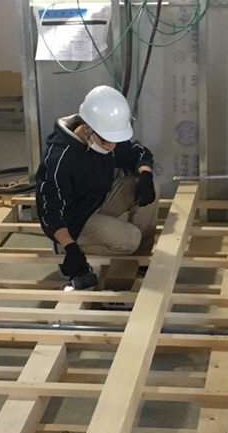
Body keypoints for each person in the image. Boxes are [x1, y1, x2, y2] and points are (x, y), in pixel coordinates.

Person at [36, 85, 158, 287]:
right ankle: (67, 248)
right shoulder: (60, 158)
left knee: (148, 185)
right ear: (87, 128)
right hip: (75, 220)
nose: (111, 146)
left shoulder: (105, 138)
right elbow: (50, 211)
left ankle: (140, 260)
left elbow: (137, 152)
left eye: (115, 141)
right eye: (107, 141)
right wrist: (70, 247)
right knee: (130, 238)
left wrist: (145, 173)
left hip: (98, 201)